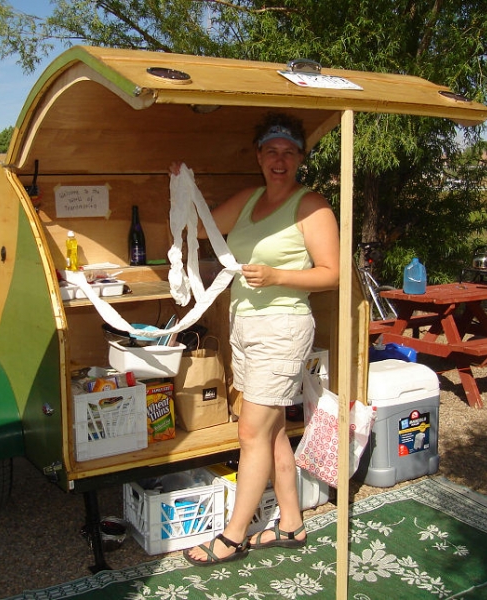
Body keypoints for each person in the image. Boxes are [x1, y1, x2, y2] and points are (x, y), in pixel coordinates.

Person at [172, 112, 340, 565]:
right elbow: (205, 228)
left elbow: (332, 273)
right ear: (259, 156)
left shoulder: (312, 206)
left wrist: (276, 275)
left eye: (288, 152)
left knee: (250, 431)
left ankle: (233, 535)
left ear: (301, 157)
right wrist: (184, 189)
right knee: (272, 432)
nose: (279, 160)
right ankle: (291, 523)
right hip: (246, 326)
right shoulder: (249, 199)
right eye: (271, 151)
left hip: (283, 328)